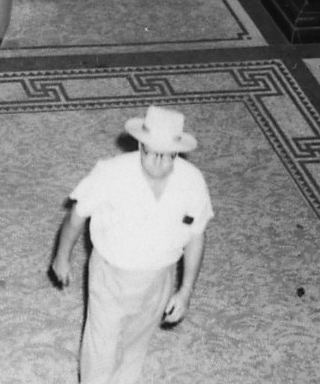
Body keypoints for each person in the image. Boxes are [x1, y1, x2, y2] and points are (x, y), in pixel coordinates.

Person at [50, 106, 214, 384]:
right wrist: (61, 257)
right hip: (111, 275)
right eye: (152, 153)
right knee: (101, 349)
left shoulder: (191, 181)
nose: (159, 162)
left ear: (177, 152)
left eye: (167, 155)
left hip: (158, 278)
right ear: (140, 145)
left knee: (134, 345)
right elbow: (77, 216)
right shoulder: (111, 173)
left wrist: (185, 290)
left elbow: (197, 235)